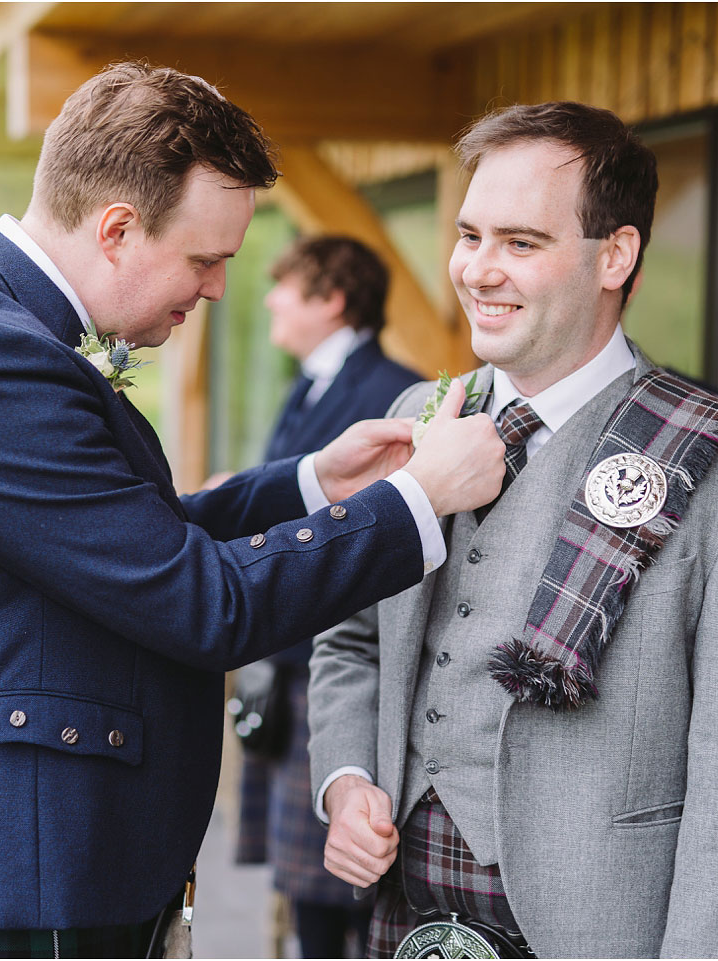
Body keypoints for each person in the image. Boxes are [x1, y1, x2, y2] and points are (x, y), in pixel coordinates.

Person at [0, 62, 509, 958]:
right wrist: (417, 501)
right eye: (205, 260)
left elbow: (117, 535)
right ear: (118, 228)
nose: (213, 291)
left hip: (16, 866)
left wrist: (315, 482)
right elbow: (202, 603)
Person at [308, 101, 718, 958]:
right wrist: (347, 776)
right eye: (470, 235)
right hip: (400, 913)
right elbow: (349, 641)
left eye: (520, 243)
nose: (477, 269)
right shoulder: (415, 420)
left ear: (615, 255)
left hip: (600, 928)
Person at [234, 236, 420, 958]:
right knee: (309, 883)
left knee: (342, 886)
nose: (271, 299)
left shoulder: (387, 392)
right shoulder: (311, 380)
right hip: (295, 647)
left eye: (287, 286)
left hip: (340, 653)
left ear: (331, 298)